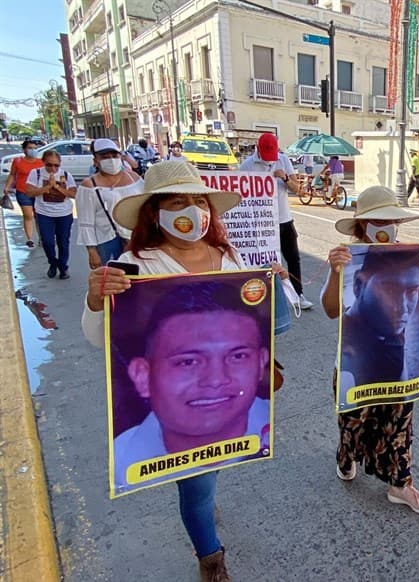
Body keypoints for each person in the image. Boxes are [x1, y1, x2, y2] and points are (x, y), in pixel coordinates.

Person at [82, 160, 256, 581]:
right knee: (195, 485)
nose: (192, 212)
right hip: (177, 400)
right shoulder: (135, 264)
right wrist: (95, 299)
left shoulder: (229, 255)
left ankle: (205, 503)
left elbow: (256, 320)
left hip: (226, 394)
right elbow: (100, 336)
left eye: (199, 202)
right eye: (178, 203)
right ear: (154, 213)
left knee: (208, 472)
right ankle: (210, 560)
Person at [322, 185, 419, 515]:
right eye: (378, 219)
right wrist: (336, 272)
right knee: (352, 423)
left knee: (400, 427)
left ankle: (400, 484)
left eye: (392, 219)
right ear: (363, 224)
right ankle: (346, 456)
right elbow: (331, 309)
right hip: (355, 363)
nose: (387, 226)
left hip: (398, 362)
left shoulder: (410, 254)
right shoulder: (349, 258)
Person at [113, 282, 270, 492]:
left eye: (238, 356)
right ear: (142, 376)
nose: (216, 380)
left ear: (261, 363)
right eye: (188, 362)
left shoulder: (266, 421)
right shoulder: (121, 462)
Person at [239, 133, 314, 310]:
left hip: (283, 220)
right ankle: (262, 297)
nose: (269, 160)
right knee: (261, 261)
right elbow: (240, 194)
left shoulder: (283, 160)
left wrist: (285, 178)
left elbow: (298, 189)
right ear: (257, 149)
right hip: (260, 223)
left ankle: (298, 295)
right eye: (266, 155)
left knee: (293, 258)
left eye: (272, 154)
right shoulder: (247, 165)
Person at [339, 250, 419, 390]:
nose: (402, 308)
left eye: (412, 291)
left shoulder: (391, 334)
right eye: (390, 290)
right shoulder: (350, 351)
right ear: (358, 285)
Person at [76, 138, 144, 269]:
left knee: (137, 278)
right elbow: (86, 222)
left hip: (135, 239)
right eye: (105, 157)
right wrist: (92, 251)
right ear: (96, 161)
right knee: (112, 280)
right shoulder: (89, 186)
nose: (111, 160)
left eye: (114, 155)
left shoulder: (134, 178)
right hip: (106, 241)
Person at [24, 150, 77, 279]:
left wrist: (57, 187)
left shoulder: (65, 175)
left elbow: (73, 194)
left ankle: (63, 267)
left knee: (63, 242)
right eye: (49, 165)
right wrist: (47, 188)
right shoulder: (35, 174)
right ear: (43, 163)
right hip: (44, 213)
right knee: (47, 242)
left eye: (56, 165)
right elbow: (29, 192)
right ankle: (53, 263)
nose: (53, 168)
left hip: (64, 213)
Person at [4, 139, 44, 247]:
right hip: (23, 192)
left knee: (38, 216)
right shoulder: (18, 161)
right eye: (30, 148)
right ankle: (30, 239)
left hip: (37, 192)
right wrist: (7, 186)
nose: (32, 150)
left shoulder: (41, 162)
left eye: (34, 148)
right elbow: (12, 175)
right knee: (28, 215)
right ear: (24, 150)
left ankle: (42, 238)